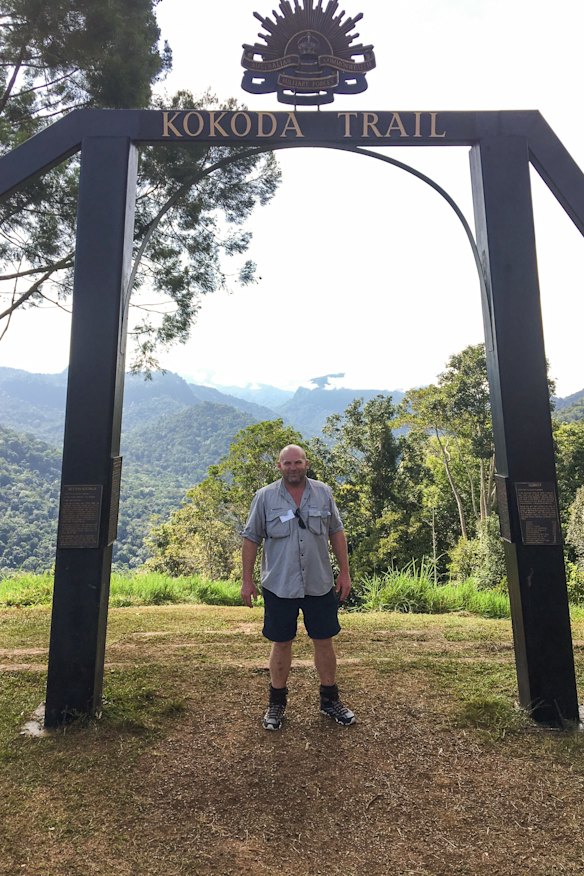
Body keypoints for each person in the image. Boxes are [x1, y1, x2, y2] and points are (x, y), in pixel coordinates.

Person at [241, 444, 355, 730]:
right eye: (287, 463)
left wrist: (344, 573)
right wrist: (246, 580)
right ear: (279, 466)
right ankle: (276, 703)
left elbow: (336, 531)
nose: (293, 467)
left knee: (324, 640)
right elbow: (251, 537)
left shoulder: (323, 492)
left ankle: (330, 700)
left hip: (319, 582)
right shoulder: (264, 497)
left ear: (307, 464)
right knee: (281, 642)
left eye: (298, 462)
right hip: (279, 584)